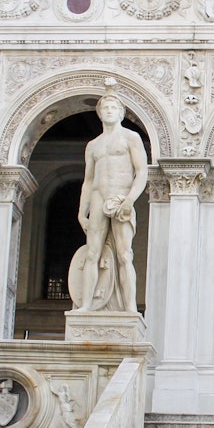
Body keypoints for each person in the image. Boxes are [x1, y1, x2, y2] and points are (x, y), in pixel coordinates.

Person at [74, 85, 148, 312]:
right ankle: (86, 305)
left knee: (125, 255)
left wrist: (130, 200)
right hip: (98, 199)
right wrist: (81, 212)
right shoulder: (93, 145)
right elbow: (88, 181)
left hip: (120, 199)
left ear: (121, 112)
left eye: (113, 107)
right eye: (105, 107)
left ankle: (130, 309)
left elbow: (142, 171)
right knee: (92, 253)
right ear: (99, 113)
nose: (109, 110)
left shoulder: (130, 137)